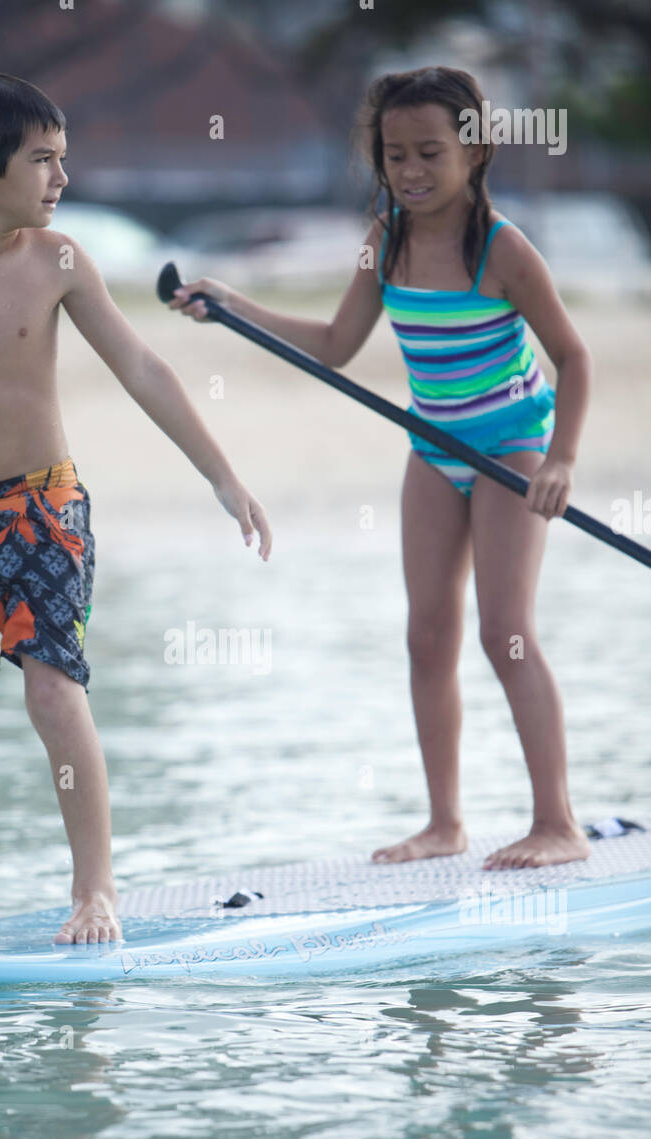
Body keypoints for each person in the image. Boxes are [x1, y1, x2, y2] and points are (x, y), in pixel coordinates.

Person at [0, 66, 272, 947]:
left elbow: (143, 368)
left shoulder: (60, 262)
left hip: (43, 509)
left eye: (62, 158)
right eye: (43, 160)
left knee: (52, 691)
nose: (62, 178)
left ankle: (96, 892)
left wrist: (222, 475)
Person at [169, 65, 591, 870]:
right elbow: (335, 345)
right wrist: (233, 307)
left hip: (511, 449)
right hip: (435, 446)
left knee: (505, 634)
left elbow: (573, 356)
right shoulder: (386, 239)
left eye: (430, 152)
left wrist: (563, 461)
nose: (411, 171)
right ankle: (445, 824)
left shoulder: (504, 249)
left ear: (475, 152)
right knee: (426, 636)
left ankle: (558, 823)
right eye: (395, 155)